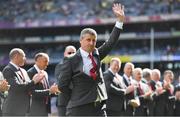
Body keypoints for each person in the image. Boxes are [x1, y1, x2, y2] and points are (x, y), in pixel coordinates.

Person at [58, 3, 125, 116]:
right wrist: (74, 98)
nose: (91, 43)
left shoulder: (97, 54)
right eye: (88, 40)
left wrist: (120, 21)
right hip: (79, 107)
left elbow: (111, 42)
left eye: (94, 40)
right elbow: (62, 86)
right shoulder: (70, 60)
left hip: (99, 106)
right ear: (81, 40)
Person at [2, 48, 44, 116]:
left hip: (23, 110)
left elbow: (28, 87)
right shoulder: (8, 70)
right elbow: (17, 87)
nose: (25, 58)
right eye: (24, 56)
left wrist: (38, 82)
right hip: (12, 111)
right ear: (16, 56)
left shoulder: (23, 71)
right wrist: (33, 81)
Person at [55, 45, 76, 116]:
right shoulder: (60, 65)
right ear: (64, 54)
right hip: (64, 101)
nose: (72, 54)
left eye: (74, 53)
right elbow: (61, 82)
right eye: (69, 53)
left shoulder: (78, 65)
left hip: (76, 101)